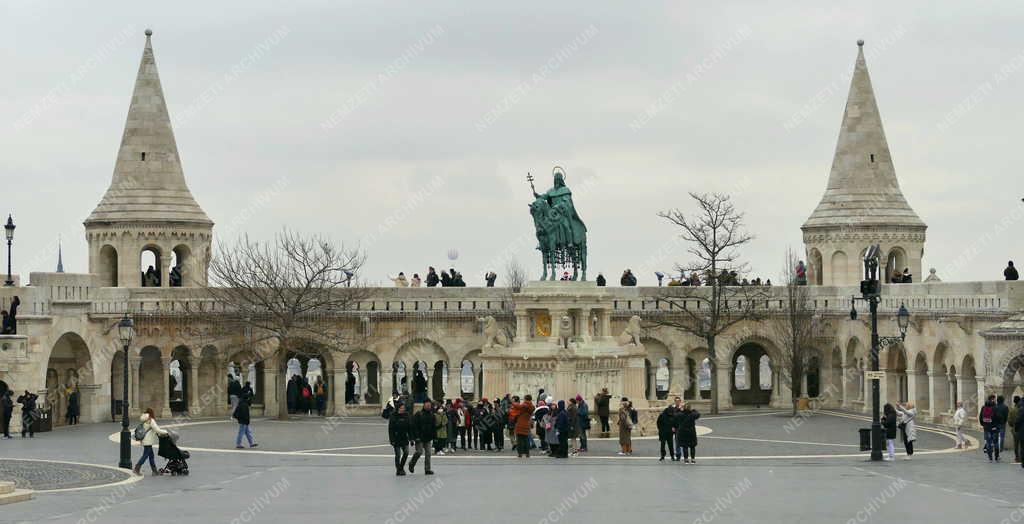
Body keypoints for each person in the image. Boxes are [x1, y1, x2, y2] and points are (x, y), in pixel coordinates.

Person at [134, 408, 168, 475]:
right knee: (145, 455)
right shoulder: (150, 420)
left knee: (151, 456)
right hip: (148, 441)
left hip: (144, 440)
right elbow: (157, 430)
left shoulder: (144, 419)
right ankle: (137, 468)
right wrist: (166, 432)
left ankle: (154, 471)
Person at [409, 399, 436, 475]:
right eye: (427, 405)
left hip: (428, 437)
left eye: (429, 405)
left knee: (428, 453)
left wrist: (435, 437)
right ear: (424, 405)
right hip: (419, 437)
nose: (428, 406)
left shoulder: (432, 415)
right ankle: (412, 463)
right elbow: (414, 426)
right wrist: (415, 437)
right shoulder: (418, 414)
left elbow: (434, 427)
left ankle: (427, 469)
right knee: (419, 452)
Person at [388, 402, 412, 476]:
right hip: (396, 438)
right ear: (398, 408)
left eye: (403, 408)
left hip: (404, 437)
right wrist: (392, 440)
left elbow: (409, 428)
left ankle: (401, 467)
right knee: (398, 455)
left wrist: (411, 438)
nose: (403, 409)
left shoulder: (406, 415)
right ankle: (398, 470)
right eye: (401, 408)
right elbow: (390, 429)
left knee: (406, 452)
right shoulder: (393, 416)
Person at [980, 396, 999, 461]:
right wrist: (996, 426)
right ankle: (996, 457)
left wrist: (984, 425)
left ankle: (990, 457)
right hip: (994, 428)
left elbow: (980, 418)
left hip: (986, 428)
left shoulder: (983, 408)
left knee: (988, 442)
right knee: (995, 442)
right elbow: (998, 418)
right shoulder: (995, 408)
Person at [1009, 396, 1021, 462]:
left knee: (1016, 444)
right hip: (1022, 429)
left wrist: (1012, 425)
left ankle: (1017, 457)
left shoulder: (1012, 410)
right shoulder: (1021, 409)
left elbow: (1009, 421)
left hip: (1015, 429)